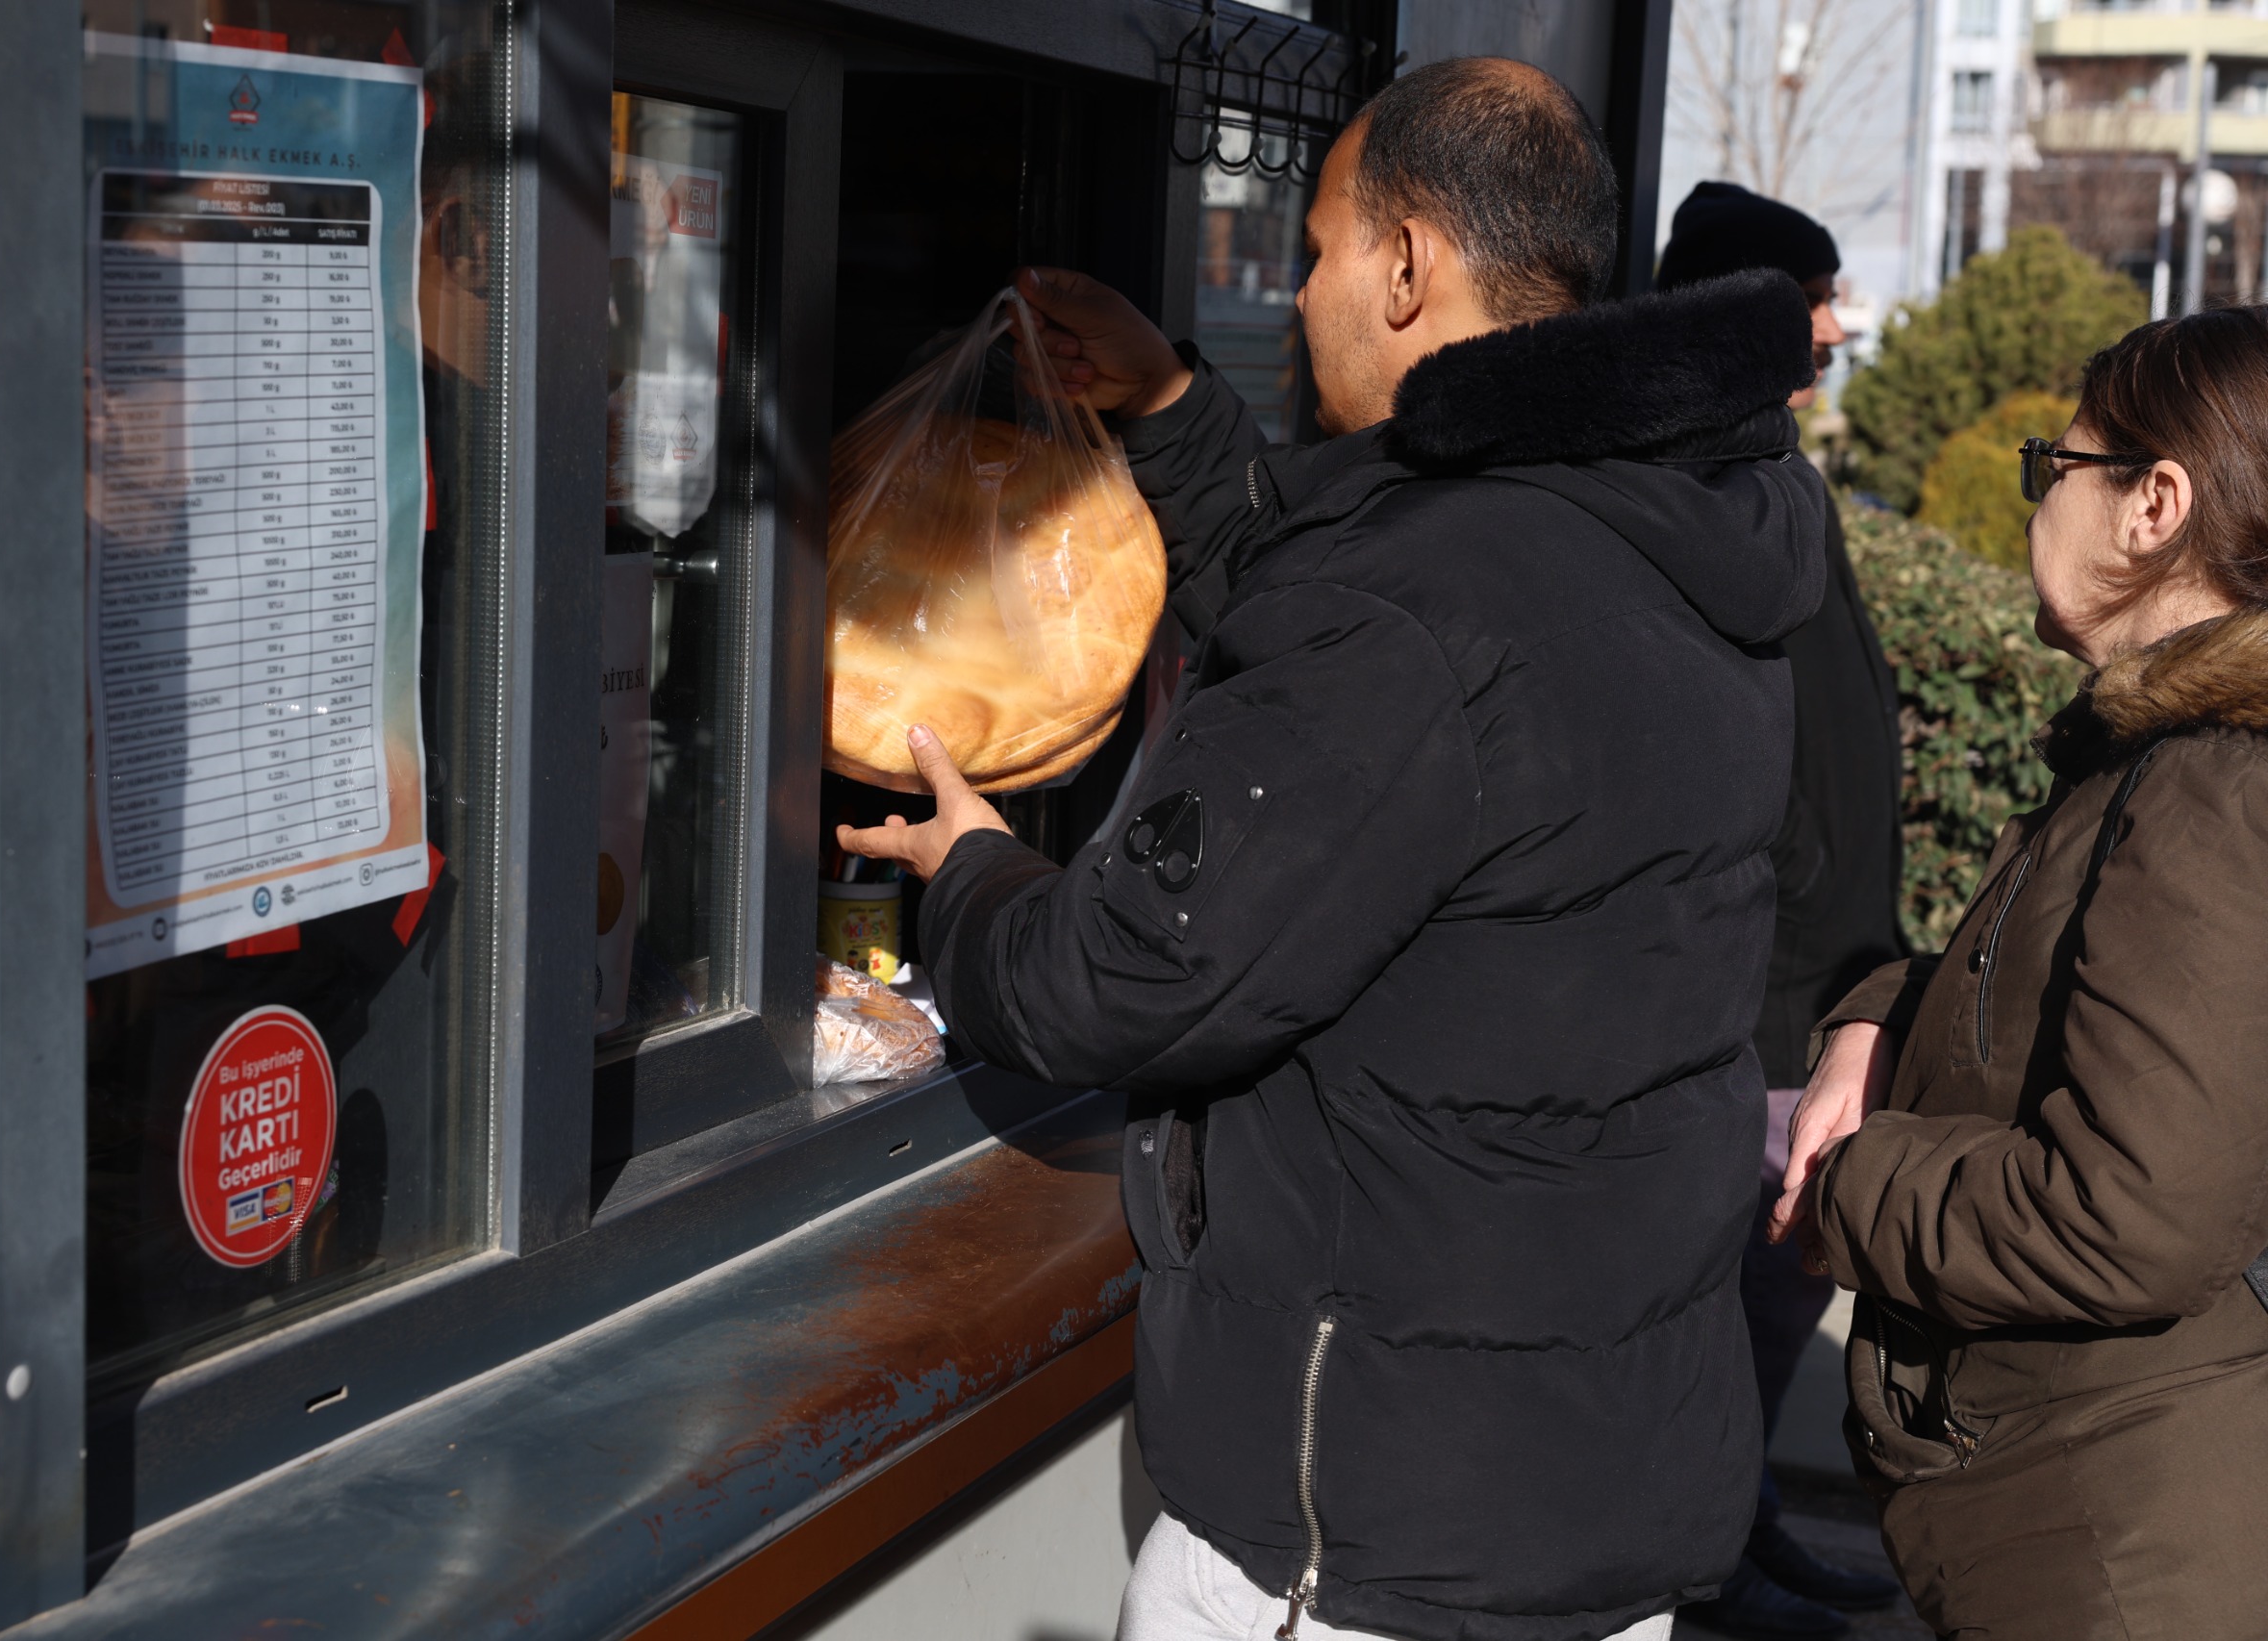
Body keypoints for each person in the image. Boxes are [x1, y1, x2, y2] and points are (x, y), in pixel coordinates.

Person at [844, 59, 1827, 1641]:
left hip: (1368, 1554)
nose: (1294, 291)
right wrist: (1168, 404)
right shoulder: (1671, 524)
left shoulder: (1422, 604)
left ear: (1410, 265)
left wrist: (969, 873)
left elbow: (1115, 976)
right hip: (1593, 1505)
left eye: (1312, 249)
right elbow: (1371, 691)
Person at [1772, 306, 2268, 1639]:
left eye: (2061, 462)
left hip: (2127, 1551)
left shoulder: (2215, 788)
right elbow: (2046, 992)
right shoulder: (2153, 757)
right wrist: (1875, 1019)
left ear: (2156, 503)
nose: (2038, 492)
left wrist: (1848, 1179)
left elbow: (2128, 1212)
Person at [1655, 184, 1905, 1641]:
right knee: (1738, 1295)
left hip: (1824, 977)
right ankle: (1711, 1563)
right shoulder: (1704, 474)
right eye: (1808, 292)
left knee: (1773, 1288)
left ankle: (1740, 1523)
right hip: (1763, 992)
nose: (1830, 321)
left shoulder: (1777, 460)